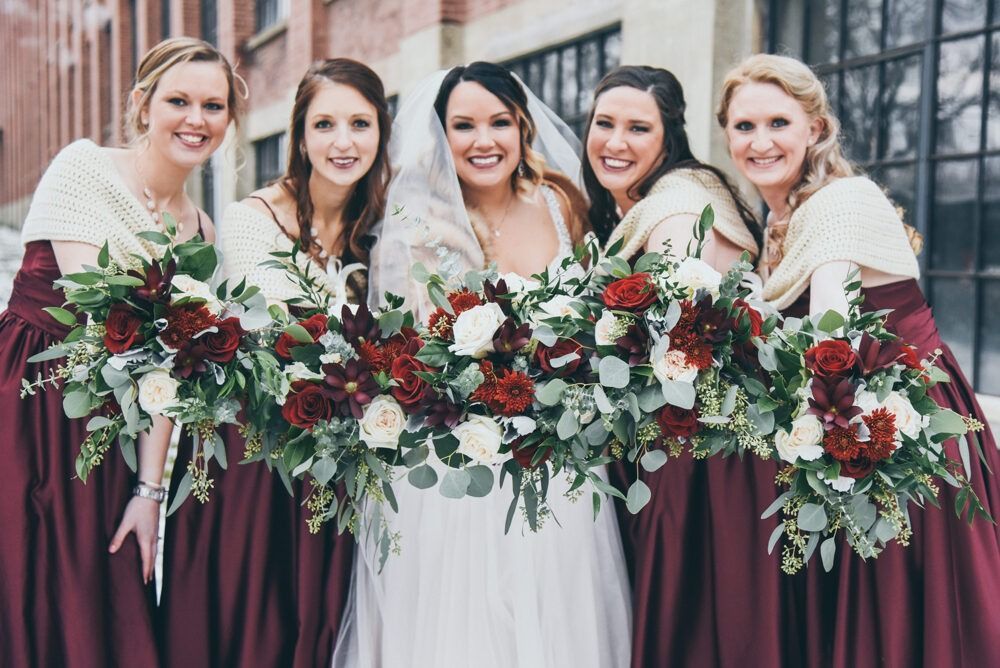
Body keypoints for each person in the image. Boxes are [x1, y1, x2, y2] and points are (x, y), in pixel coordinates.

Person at [718, 52, 1000, 667]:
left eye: (778, 123)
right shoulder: (783, 215)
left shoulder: (840, 203)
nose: (760, 142)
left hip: (901, 426)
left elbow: (830, 339)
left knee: (902, 614)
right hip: (853, 413)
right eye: (743, 127)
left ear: (814, 128)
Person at [350, 62, 632, 668]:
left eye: (499, 122)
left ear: (522, 126)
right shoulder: (415, 225)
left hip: (553, 452)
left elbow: (594, 315)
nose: (484, 141)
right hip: (450, 459)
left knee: (555, 617)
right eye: (464, 125)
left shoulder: (562, 202)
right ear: (441, 134)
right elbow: (407, 355)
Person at [0, 37, 242, 666]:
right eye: (179, 101)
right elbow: (103, 316)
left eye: (213, 106)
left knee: (93, 589)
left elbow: (173, 373)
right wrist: (173, 342)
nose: (197, 119)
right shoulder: (83, 167)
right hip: (26, 397)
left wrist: (148, 492)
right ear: (142, 104)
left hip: (108, 428)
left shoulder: (202, 233)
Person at [158, 58, 391, 668]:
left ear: (381, 132)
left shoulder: (390, 232)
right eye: (325, 125)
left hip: (337, 460)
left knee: (318, 616)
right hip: (250, 454)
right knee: (247, 618)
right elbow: (290, 332)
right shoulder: (250, 220)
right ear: (300, 136)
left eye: (360, 124)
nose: (344, 142)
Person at [582, 65, 789, 667]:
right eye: (604, 124)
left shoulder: (676, 210)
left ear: (668, 135)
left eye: (637, 128)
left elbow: (673, 341)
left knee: (691, 619)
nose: (616, 142)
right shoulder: (693, 190)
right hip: (710, 442)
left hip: (691, 453)